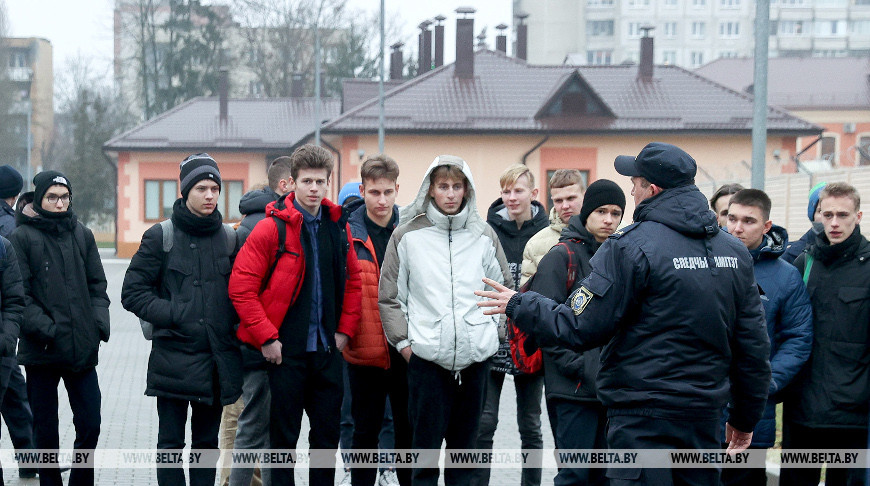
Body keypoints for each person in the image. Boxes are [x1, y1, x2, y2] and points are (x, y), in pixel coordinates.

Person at [476, 142, 771, 486]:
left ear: (653, 189)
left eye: (636, 182)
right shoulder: (733, 251)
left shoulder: (629, 247)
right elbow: (753, 348)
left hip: (641, 420)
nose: (632, 189)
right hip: (702, 419)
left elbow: (580, 325)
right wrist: (745, 417)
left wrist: (519, 303)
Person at [229, 144, 362, 486]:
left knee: (325, 442)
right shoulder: (271, 229)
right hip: (285, 355)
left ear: (329, 183)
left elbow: (353, 281)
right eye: (307, 181)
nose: (314, 188)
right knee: (282, 444)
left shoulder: (338, 226)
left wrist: (345, 330)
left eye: (320, 181)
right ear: (293, 183)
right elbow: (241, 289)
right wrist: (268, 338)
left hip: (327, 353)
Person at [378, 155, 511, 486]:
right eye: (443, 186)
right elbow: (391, 297)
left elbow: (504, 291)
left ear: (466, 190)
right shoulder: (407, 236)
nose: (450, 194)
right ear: (431, 190)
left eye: (456, 186)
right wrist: (407, 346)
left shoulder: (484, 235)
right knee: (422, 457)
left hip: (475, 362)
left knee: (464, 457)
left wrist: (490, 337)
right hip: (426, 363)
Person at [122, 154, 243, 486]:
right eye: (202, 188)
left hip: (217, 360)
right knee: (171, 445)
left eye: (215, 188)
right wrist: (174, 313)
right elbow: (132, 292)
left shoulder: (230, 239)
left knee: (206, 446)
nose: (210, 195)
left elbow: (241, 294)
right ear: (185, 190)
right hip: (173, 358)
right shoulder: (160, 236)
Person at [11, 170, 110, 486]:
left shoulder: (83, 234)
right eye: (52, 197)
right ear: (40, 199)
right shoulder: (22, 238)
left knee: (90, 424)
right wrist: (48, 329)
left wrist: (97, 326)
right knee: (45, 429)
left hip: (82, 348)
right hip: (42, 350)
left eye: (64, 197)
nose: (59, 203)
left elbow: (98, 285)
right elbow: (18, 296)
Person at [530, 179, 624, 486]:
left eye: (616, 212)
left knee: (605, 477)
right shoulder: (562, 257)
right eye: (601, 211)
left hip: (610, 392)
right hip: (572, 391)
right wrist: (580, 366)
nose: (609, 219)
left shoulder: (621, 257)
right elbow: (543, 321)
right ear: (586, 213)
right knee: (574, 475)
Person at [722, 189, 813, 486]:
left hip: (754, 414)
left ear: (766, 226)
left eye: (748, 221)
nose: (737, 227)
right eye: (731, 218)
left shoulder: (785, 276)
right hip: (700, 407)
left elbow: (798, 338)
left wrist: (764, 383)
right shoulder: (701, 265)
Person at [782, 182, 870, 486]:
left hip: (852, 414)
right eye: (827, 213)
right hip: (801, 408)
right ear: (818, 214)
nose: (834, 223)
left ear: (858, 216)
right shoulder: (803, 263)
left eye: (842, 215)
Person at [474, 164, 548, 486]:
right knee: (484, 423)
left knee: (530, 425)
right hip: (494, 339)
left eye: (518, 190)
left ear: (533, 194)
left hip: (530, 340)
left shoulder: (546, 233)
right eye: (506, 191)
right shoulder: (487, 230)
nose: (512, 197)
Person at [222, 155, 294, 486]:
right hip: (264, 343)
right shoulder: (270, 227)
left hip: (243, 343)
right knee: (257, 430)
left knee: (241, 426)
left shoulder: (243, 225)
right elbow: (245, 290)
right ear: (285, 186)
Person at [342, 155, 407, 486]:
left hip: (405, 351)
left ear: (397, 189)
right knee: (363, 435)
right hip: (363, 352)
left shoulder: (410, 232)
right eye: (374, 192)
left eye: (387, 192)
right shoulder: (347, 235)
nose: (381, 201)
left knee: (407, 435)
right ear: (363, 190)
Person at [0, 165, 37, 480]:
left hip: (4, 333)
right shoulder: (10, 225)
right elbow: (18, 284)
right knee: (16, 399)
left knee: (15, 397)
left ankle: (31, 459)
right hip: (6, 333)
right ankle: (31, 459)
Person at [520, 169, 586, 287]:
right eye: (558, 200)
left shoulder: (612, 232)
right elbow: (526, 298)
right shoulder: (535, 245)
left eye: (571, 198)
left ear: (584, 195)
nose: (565, 206)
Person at [781, 182, 826, 264]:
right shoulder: (792, 255)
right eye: (821, 211)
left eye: (840, 214)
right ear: (812, 215)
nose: (830, 219)